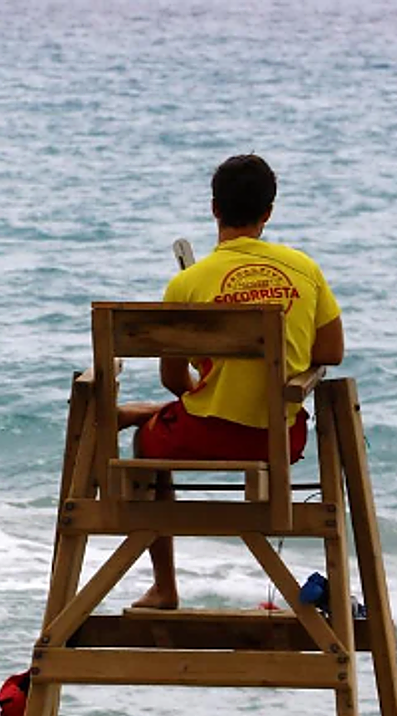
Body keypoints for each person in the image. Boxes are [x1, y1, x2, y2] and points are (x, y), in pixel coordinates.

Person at [121, 154, 346, 609]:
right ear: (268, 212)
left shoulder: (188, 284)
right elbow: (330, 354)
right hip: (279, 439)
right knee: (194, 412)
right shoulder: (305, 269)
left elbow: (172, 379)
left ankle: (165, 587)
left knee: (147, 445)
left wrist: (208, 381)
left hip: (201, 435)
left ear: (214, 208)